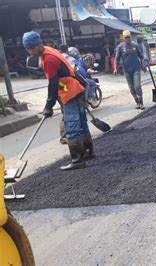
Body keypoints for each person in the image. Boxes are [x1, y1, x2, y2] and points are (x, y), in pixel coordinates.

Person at [22, 31, 95, 171]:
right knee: (81, 122)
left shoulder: (48, 58)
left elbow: (53, 84)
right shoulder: (49, 50)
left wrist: (48, 106)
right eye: (27, 48)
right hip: (77, 89)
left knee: (71, 125)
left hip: (70, 92)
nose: (29, 51)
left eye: (30, 48)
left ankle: (77, 159)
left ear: (37, 45)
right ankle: (88, 152)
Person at [114, 30, 145, 110]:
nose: (128, 39)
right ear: (123, 38)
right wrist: (115, 68)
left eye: (129, 37)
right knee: (131, 88)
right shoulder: (120, 47)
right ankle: (137, 102)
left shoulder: (135, 45)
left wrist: (144, 59)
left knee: (137, 86)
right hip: (127, 70)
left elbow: (141, 55)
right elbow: (117, 58)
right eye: (126, 38)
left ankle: (141, 103)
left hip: (136, 69)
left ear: (130, 37)